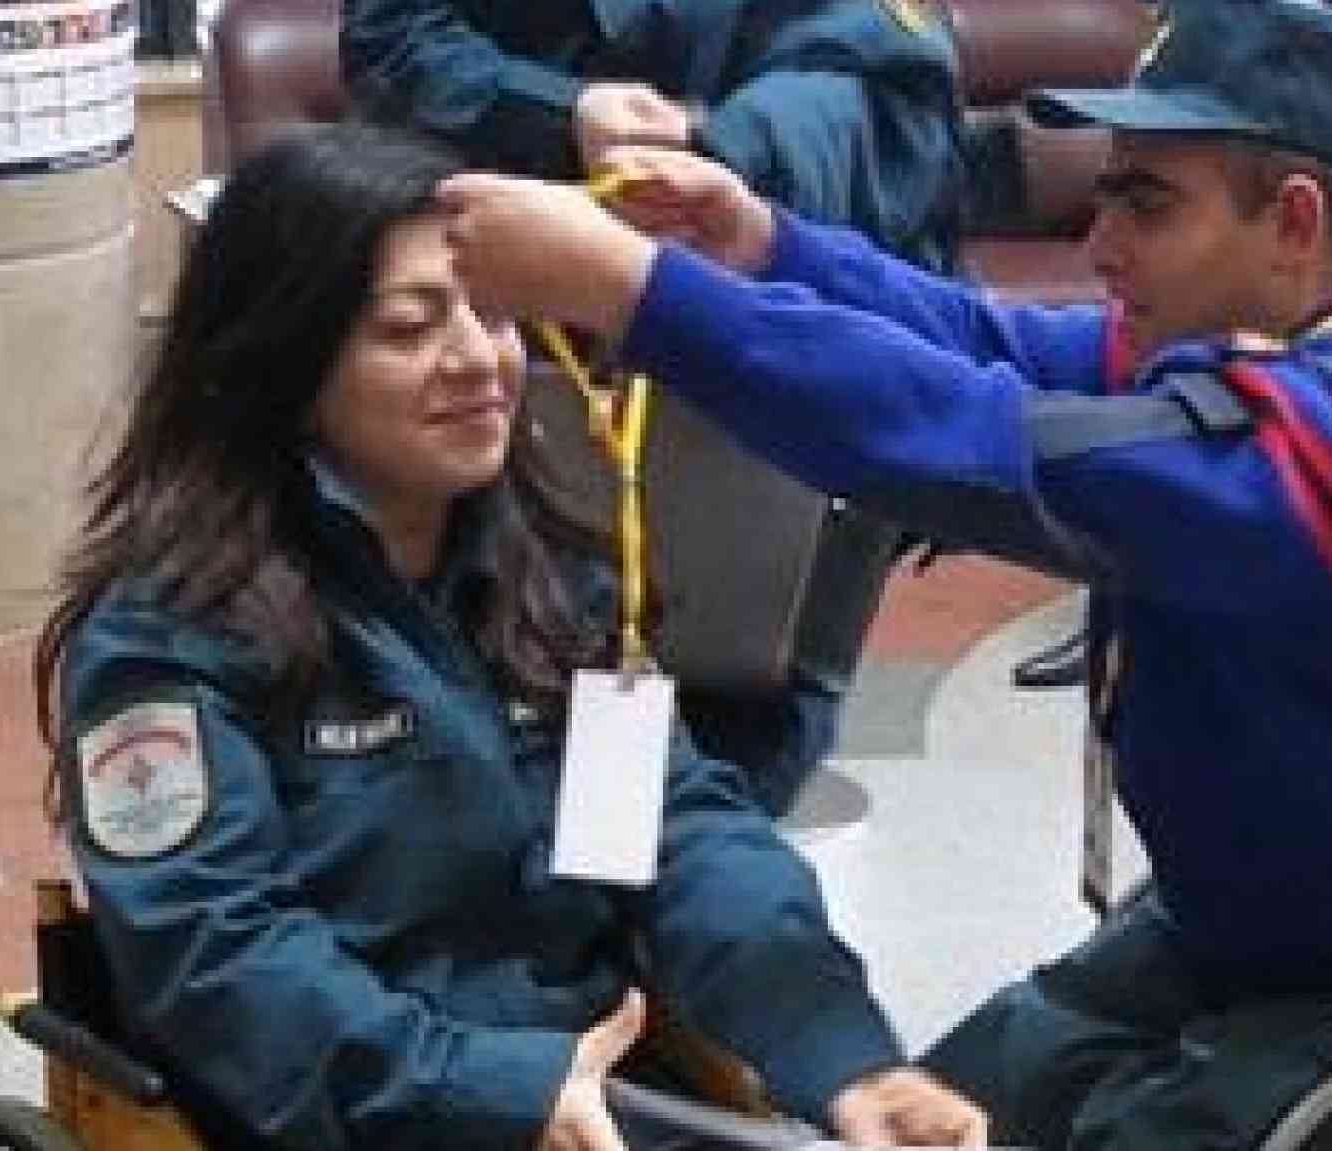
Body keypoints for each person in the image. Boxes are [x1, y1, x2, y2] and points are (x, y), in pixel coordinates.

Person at [429, 0, 1332, 1151]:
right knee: (943, 1125)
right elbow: (987, 345)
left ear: (1294, 221)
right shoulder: (1253, 346)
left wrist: (638, 293)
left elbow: (972, 439)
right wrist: (761, 243)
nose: (1100, 241)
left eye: (1147, 203)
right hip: (1279, 909)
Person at [34, 122, 984, 1151]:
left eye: (490, 312)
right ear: (283, 360)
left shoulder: (544, 583)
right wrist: (499, 1100)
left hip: (597, 1118)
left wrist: (843, 1060)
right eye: (409, 327)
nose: (480, 359)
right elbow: (224, 961)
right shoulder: (168, 639)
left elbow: (678, 836)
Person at [339, 0, 970, 810]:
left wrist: (717, 146)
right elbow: (390, 41)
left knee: (740, 761)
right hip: (502, 346)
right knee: (481, 729)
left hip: (765, 354)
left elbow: (888, 67)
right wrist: (565, 113)